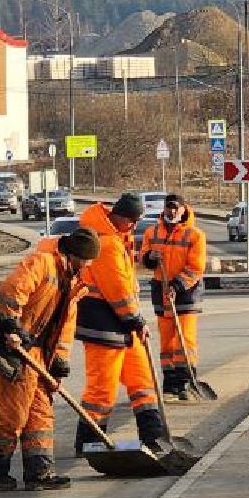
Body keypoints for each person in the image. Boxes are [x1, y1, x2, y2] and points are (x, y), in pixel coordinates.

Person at [0, 228, 99, 491]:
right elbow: (11, 291)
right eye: (88, 261)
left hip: (40, 357)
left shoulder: (73, 285)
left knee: (41, 413)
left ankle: (40, 470)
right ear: (76, 256)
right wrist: (10, 325)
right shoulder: (43, 263)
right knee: (12, 412)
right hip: (18, 351)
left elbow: (65, 329)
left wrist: (60, 363)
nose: (89, 267)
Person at [73, 193, 167, 453]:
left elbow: (125, 289)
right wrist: (136, 320)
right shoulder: (106, 244)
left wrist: (135, 321)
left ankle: (153, 435)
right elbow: (117, 290)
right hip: (102, 324)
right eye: (133, 221)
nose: (135, 227)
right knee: (102, 387)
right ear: (121, 217)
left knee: (142, 379)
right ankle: (89, 441)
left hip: (122, 324)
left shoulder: (115, 239)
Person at [138, 193, 207, 400]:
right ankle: (170, 384)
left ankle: (186, 381)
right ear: (165, 208)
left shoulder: (195, 235)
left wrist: (177, 285)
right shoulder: (153, 231)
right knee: (167, 341)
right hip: (161, 290)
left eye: (177, 207)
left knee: (184, 338)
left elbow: (196, 268)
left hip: (186, 292)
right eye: (169, 207)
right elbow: (143, 257)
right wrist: (150, 257)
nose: (173, 211)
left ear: (184, 209)